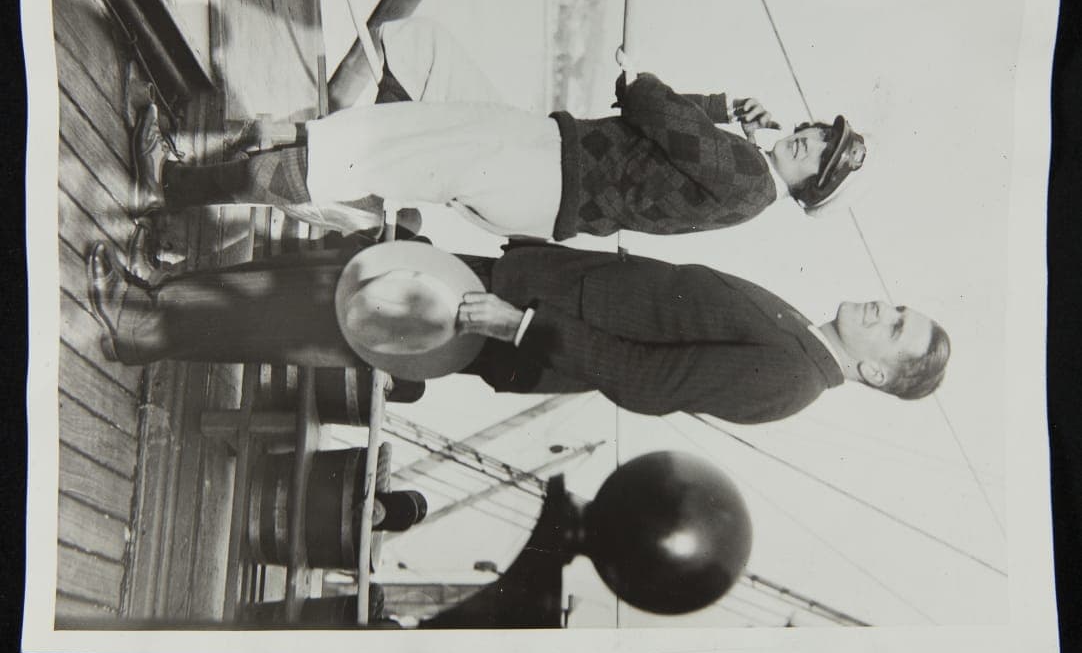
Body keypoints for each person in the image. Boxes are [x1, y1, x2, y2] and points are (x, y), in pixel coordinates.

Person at [86, 235, 949, 424]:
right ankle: (156, 290)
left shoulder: (790, 380)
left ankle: (142, 331)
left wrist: (524, 323)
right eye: (901, 304)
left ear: (876, 374)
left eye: (897, 327)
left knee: (324, 321)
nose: (886, 304)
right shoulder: (797, 329)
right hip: (525, 290)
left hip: (516, 322)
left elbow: (644, 383)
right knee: (338, 274)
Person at [128, 21, 866, 242]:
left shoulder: (750, 181)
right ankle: (300, 165)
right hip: (540, 155)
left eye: (819, 159)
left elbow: (656, 117)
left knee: (363, 156)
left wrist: (639, 77)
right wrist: (725, 104)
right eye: (816, 133)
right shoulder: (743, 173)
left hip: (540, 173)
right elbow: (672, 149)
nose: (807, 143)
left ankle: (180, 185)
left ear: (807, 187)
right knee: (414, 49)